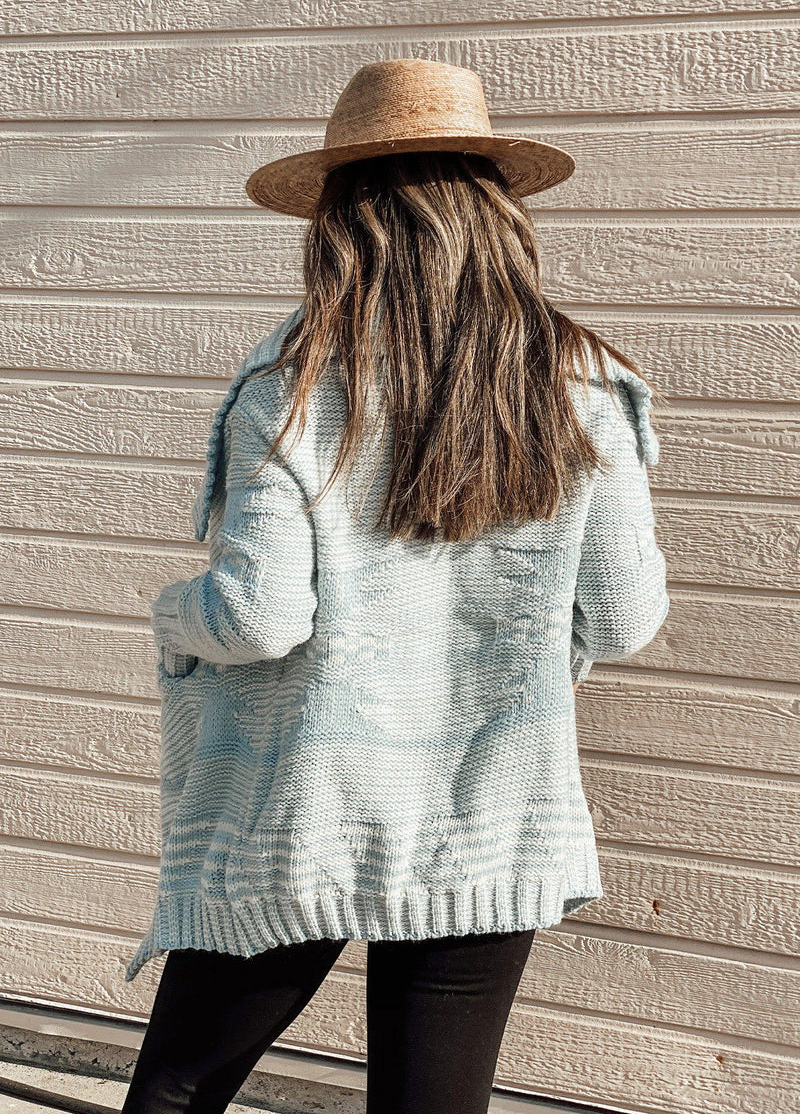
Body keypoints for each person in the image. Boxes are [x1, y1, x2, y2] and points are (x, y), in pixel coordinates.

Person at [121, 58, 670, 1114]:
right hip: (491, 808)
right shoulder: (589, 385)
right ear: (496, 213)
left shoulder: (289, 387)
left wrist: (168, 612)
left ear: (342, 224)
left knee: (181, 1089)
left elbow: (256, 615)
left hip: (305, 808)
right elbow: (627, 615)